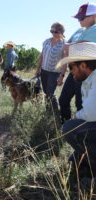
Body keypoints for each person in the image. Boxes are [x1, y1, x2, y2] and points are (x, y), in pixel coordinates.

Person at [56, 42, 96, 172]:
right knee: (75, 157)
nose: (70, 71)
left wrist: (75, 117)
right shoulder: (88, 80)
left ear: (83, 65)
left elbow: (91, 114)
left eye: (71, 67)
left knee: (70, 127)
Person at [58, 2, 96, 124]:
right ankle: (66, 126)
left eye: (82, 18)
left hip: (87, 74)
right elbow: (66, 50)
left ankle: (82, 135)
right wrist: (62, 74)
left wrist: (70, 46)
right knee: (63, 100)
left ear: (94, 16)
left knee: (81, 104)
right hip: (74, 71)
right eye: (78, 18)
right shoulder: (79, 30)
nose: (79, 21)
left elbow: (73, 47)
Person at [36, 22, 65, 113]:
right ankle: (49, 112)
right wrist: (38, 68)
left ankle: (53, 113)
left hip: (54, 73)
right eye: (51, 31)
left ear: (61, 31)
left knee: (49, 93)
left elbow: (64, 62)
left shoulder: (65, 44)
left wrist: (62, 76)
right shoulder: (46, 41)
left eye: (55, 31)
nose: (53, 33)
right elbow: (42, 56)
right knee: (45, 93)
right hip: (44, 71)